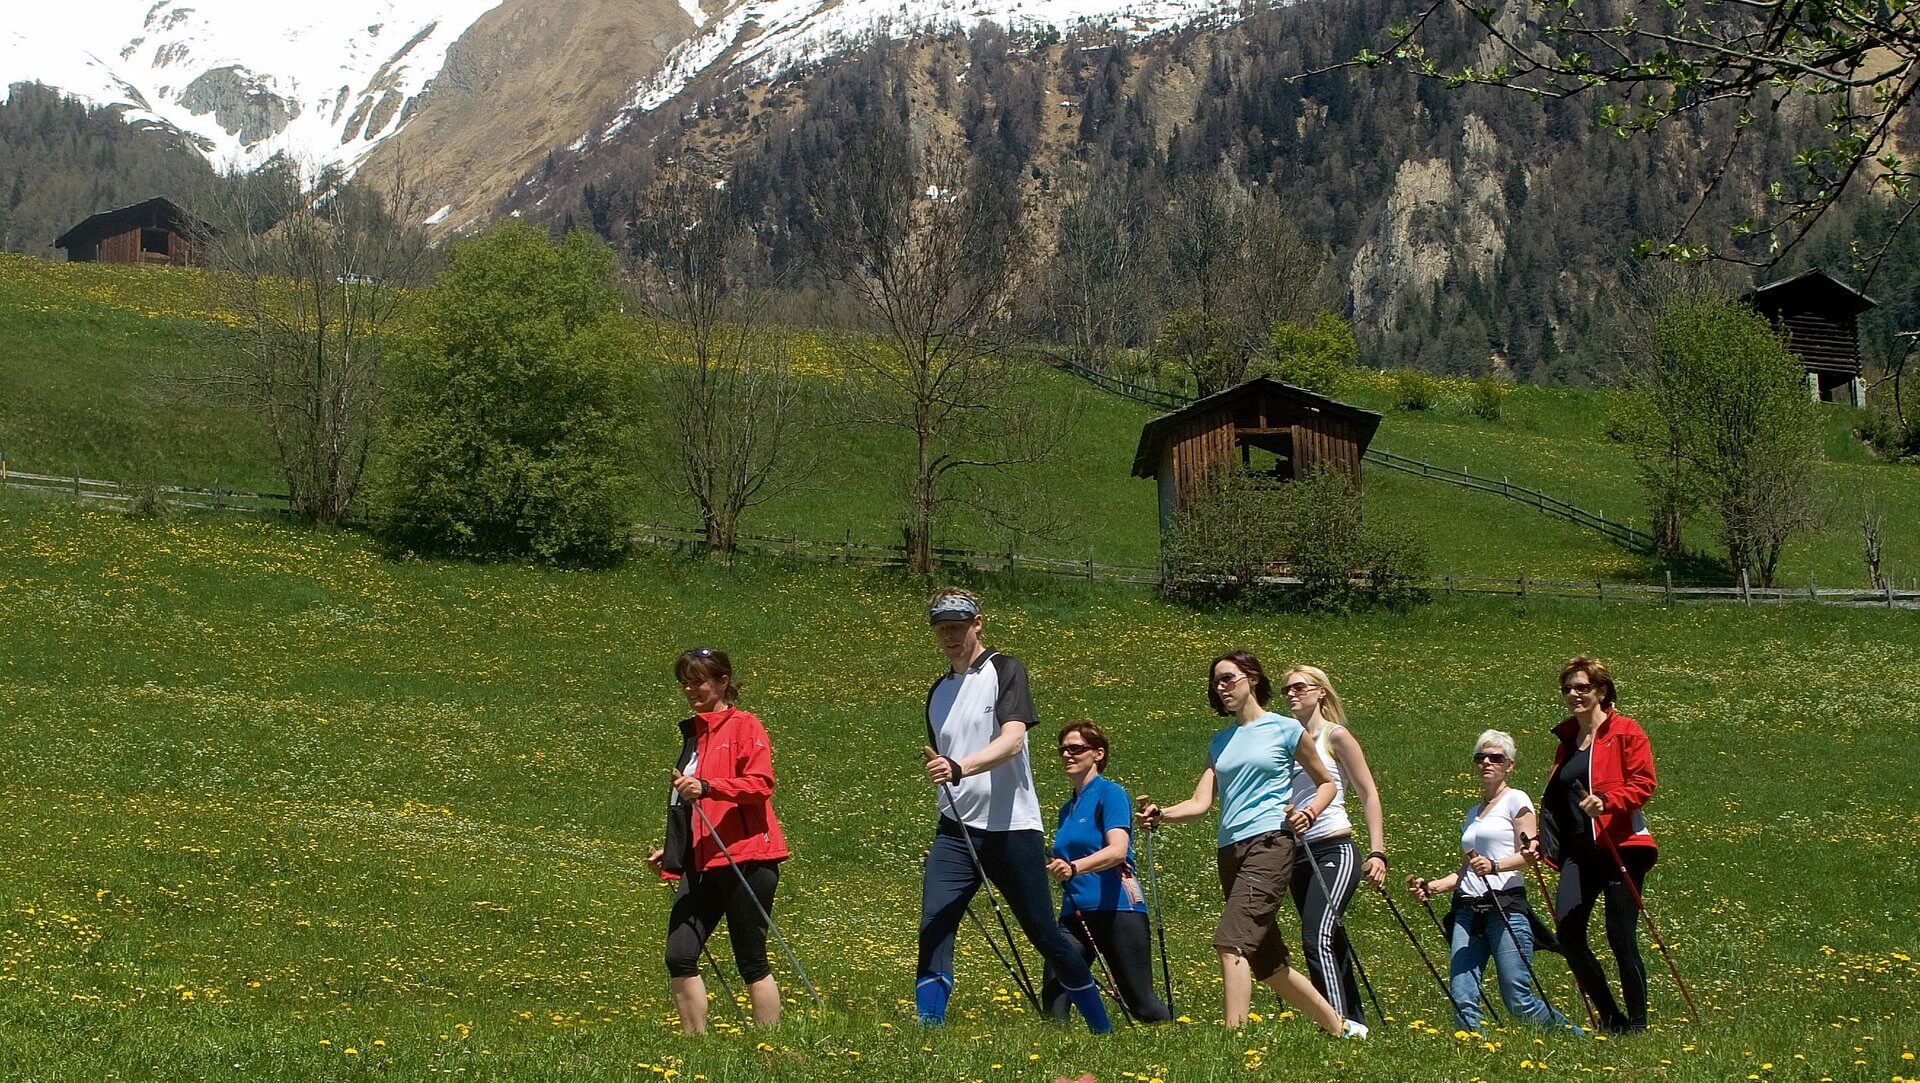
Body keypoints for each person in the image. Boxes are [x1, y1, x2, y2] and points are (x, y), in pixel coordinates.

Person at [1139, 650, 1366, 1039]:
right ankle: (1340, 1028)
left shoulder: (1284, 729)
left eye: (1228, 678)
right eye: (1216, 681)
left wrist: (1308, 813)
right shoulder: (1220, 742)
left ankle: (1233, 1041)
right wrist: (1163, 815)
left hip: (1270, 844)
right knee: (1268, 964)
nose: (1221, 686)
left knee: (1231, 944)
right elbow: (1200, 803)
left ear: (1252, 679)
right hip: (1230, 851)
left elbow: (1327, 782)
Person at [915, 588, 1113, 1034]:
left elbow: (1013, 740)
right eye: (941, 627)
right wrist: (947, 772)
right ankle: (926, 1032)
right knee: (935, 922)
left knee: (1043, 932)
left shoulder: (1005, 670)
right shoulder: (938, 691)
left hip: (1011, 829)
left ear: (977, 624)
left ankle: (1101, 1028)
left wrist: (959, 767)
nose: (949, 635)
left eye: (957, 626)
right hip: (955, 831)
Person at [647, 647, 789, 1034]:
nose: (691, 690)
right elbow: (687, 804)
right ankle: (696, 1049)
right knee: (679, 954)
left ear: (723, 681)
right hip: (701, 859)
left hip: (747, 855)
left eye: (699, 681)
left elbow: (761, 784)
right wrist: (674, 852)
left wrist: (709, 787)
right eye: (685, 683)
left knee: (751, 959)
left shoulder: (745, 725)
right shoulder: (694, 735)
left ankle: (770, 1046)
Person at [1407, 729, 1573, 1033]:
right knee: (1462, 996)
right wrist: (1431, 887)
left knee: (1518, 999)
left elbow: (1531, 853)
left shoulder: (1516, 800)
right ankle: (1473, 1051)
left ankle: (1574, 1037)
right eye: (1480, 757)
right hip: (1468, 911)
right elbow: (1466, 870)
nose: (1486, 762)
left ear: (1509, 765)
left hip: (1505, 907)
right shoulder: (1473, 813)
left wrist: (1495, 865)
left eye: (1495, 758)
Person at [1535, 655, 1658, 1033]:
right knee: (1569, 935)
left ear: (1601, 691)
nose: (1574, 694)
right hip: (1578, 853)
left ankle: (1637, 1026)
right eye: (1568, 688)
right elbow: (1557, 796)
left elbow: (1643, 783)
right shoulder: (1568, 738)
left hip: (1620, 846)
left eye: (1582, 687)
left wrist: (1607, 802)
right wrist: (1542, 839)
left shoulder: (1626, 731)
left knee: (1620, 937)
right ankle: (1611, 1017)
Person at [1041, 721, 1173, 1024]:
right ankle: (1053, 1053)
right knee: (1055, 992)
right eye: (1062, 749)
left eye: (1076, 748)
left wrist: (1074, 868)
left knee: (1142, 1004)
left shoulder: (1110, 793)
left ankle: (1182, 1039)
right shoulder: (1067, 808)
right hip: (1074, 913)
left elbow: (1117, 851)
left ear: (1098, 754)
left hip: (1117, 909)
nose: (1067, 755)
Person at [1281, 665, 1387, 1027]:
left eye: (1299, 687)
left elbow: (1368, 793)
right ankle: (1355, 1020)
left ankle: (1336, 1023)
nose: (1292, 694)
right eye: (1286, 690)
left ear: (1320, 692)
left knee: (1316, 936)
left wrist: (1377, 851)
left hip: (1334, 848)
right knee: (1332, 940)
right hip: (1298, 854)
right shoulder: (1288, 738)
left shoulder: (1335, 736)